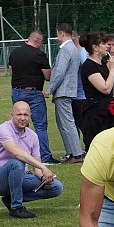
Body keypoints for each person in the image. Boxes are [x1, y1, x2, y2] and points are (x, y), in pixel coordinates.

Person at [0, 101, 64, 219]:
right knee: (17, 163)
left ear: (30, 116)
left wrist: (44, 178)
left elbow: (37, 167)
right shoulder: (4, 129)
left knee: (56, 187)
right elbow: (15, 152)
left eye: (26, 115)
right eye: (19, 114)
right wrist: (44, 167)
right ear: (11, 114)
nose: (23, 118)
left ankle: (11, 199)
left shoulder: (33, 136)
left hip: (21, 177)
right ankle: (16, 208)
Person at [7, 30, 58, 165]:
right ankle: (45, 157)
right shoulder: (39, 55)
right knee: (40, 125)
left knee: (20, 124)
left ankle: (22, 154)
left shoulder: (14, 53)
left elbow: (11, 72)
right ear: (39, 41)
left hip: (17, 91)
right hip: (34, 93)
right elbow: (48, 76)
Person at [47, 24, 85, 163]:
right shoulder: (73, 49)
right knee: (64, 122)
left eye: (58, 34)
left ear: (62, 34)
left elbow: (59, 72)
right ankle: (71, 153)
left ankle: (76, 154)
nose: (57, 38)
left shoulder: (65, 50)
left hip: (64, 91)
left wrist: (50, 89)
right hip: (67, 91)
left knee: (67, 123)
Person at [79, 30, 114, 150]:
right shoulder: (88, 66)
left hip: (107, 112)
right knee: (98, 147)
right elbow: (105, 89)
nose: (107, 46)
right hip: (95, 114)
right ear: (95, 47)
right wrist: (113, 70)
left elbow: (110, 87)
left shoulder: (102, 64)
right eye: (104, 43)